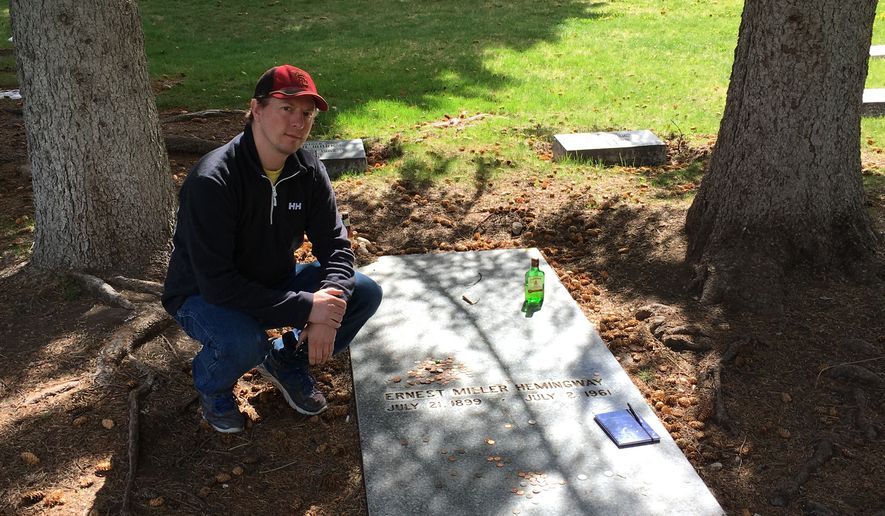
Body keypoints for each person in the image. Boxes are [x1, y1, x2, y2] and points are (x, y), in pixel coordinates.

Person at [162, 65, 382, 433]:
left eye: (307, 113)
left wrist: (331, 302)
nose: (298, 121)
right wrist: (310, 307)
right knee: (245, 342)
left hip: (272, 284)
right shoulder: (213, 180)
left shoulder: (307, 169)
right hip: (203, 296)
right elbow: (217, 283)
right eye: (287, 108)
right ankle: (212, 385)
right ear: (257, 109)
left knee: (363, 292)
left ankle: (287, 361)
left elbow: (336, 245)